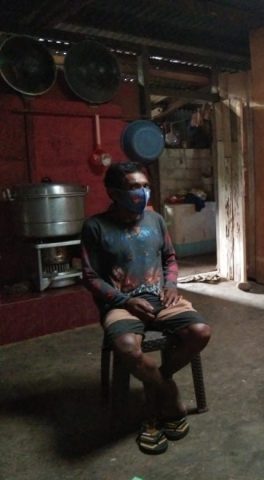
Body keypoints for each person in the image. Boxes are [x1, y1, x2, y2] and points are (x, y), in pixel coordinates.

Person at [81, 162, 211, 455]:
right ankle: (167, 394)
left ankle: (156, 381)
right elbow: (90, 276)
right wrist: (124, 300)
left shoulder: (155, 220)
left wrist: (172, 285)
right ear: (113, 192)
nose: (142, 192)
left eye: (145, 185)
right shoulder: (95, 227)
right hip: (121, 302)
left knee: (200, 332)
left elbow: (170, 258)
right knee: (128, 348)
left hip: (161, 298)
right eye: (133, 187)